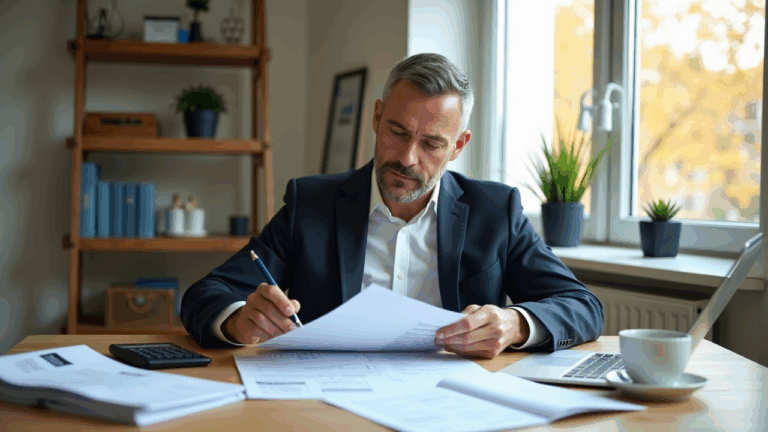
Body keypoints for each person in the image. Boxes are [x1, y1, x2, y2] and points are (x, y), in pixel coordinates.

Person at [181, 53, 603, 358]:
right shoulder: (311, 203)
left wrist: (515, 324)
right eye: (397, 132)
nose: (407, 158)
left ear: (458, 146)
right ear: (377, 117)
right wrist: (239, 319)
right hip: (329, 401)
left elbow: (582, 305)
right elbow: (205, 294)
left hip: (454, 404)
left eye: (432, 143)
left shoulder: (495, 210)